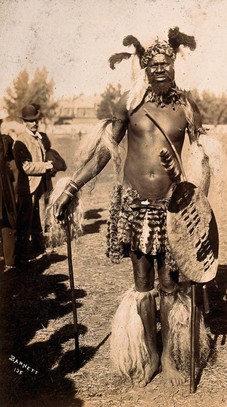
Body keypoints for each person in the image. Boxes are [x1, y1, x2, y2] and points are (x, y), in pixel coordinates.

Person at [54, 28, 212, 386]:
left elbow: (204, 158)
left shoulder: (186, 107)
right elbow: (101, 151)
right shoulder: (129, 105)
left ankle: (174, 360)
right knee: (142, 284)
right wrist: (72, 186)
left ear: (174, 65)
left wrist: (195, 198)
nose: (159, 69)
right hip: (135, 205)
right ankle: (148, 359)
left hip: (172, 208)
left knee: (171, 286)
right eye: (152, 64)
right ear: (144, 68)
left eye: (165, 64)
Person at [13, 103, 54, 263]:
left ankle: (38, 246)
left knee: (38, 217)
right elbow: (26, 167)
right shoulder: (20, 142)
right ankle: (20, 254)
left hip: (39, 185)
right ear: (24, 122)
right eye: (31, 121)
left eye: (36, 120)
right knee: (25, 220)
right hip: (27, 186)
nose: (35, 123)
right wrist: (46, 166)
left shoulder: (39, 138)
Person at [0, 108, 17, 270]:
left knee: (6, 221)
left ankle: (9, 259)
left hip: (3, 187)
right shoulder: (5, 141)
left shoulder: (5, 141)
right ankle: (9, 260)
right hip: (4, 187)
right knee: (6, 221)